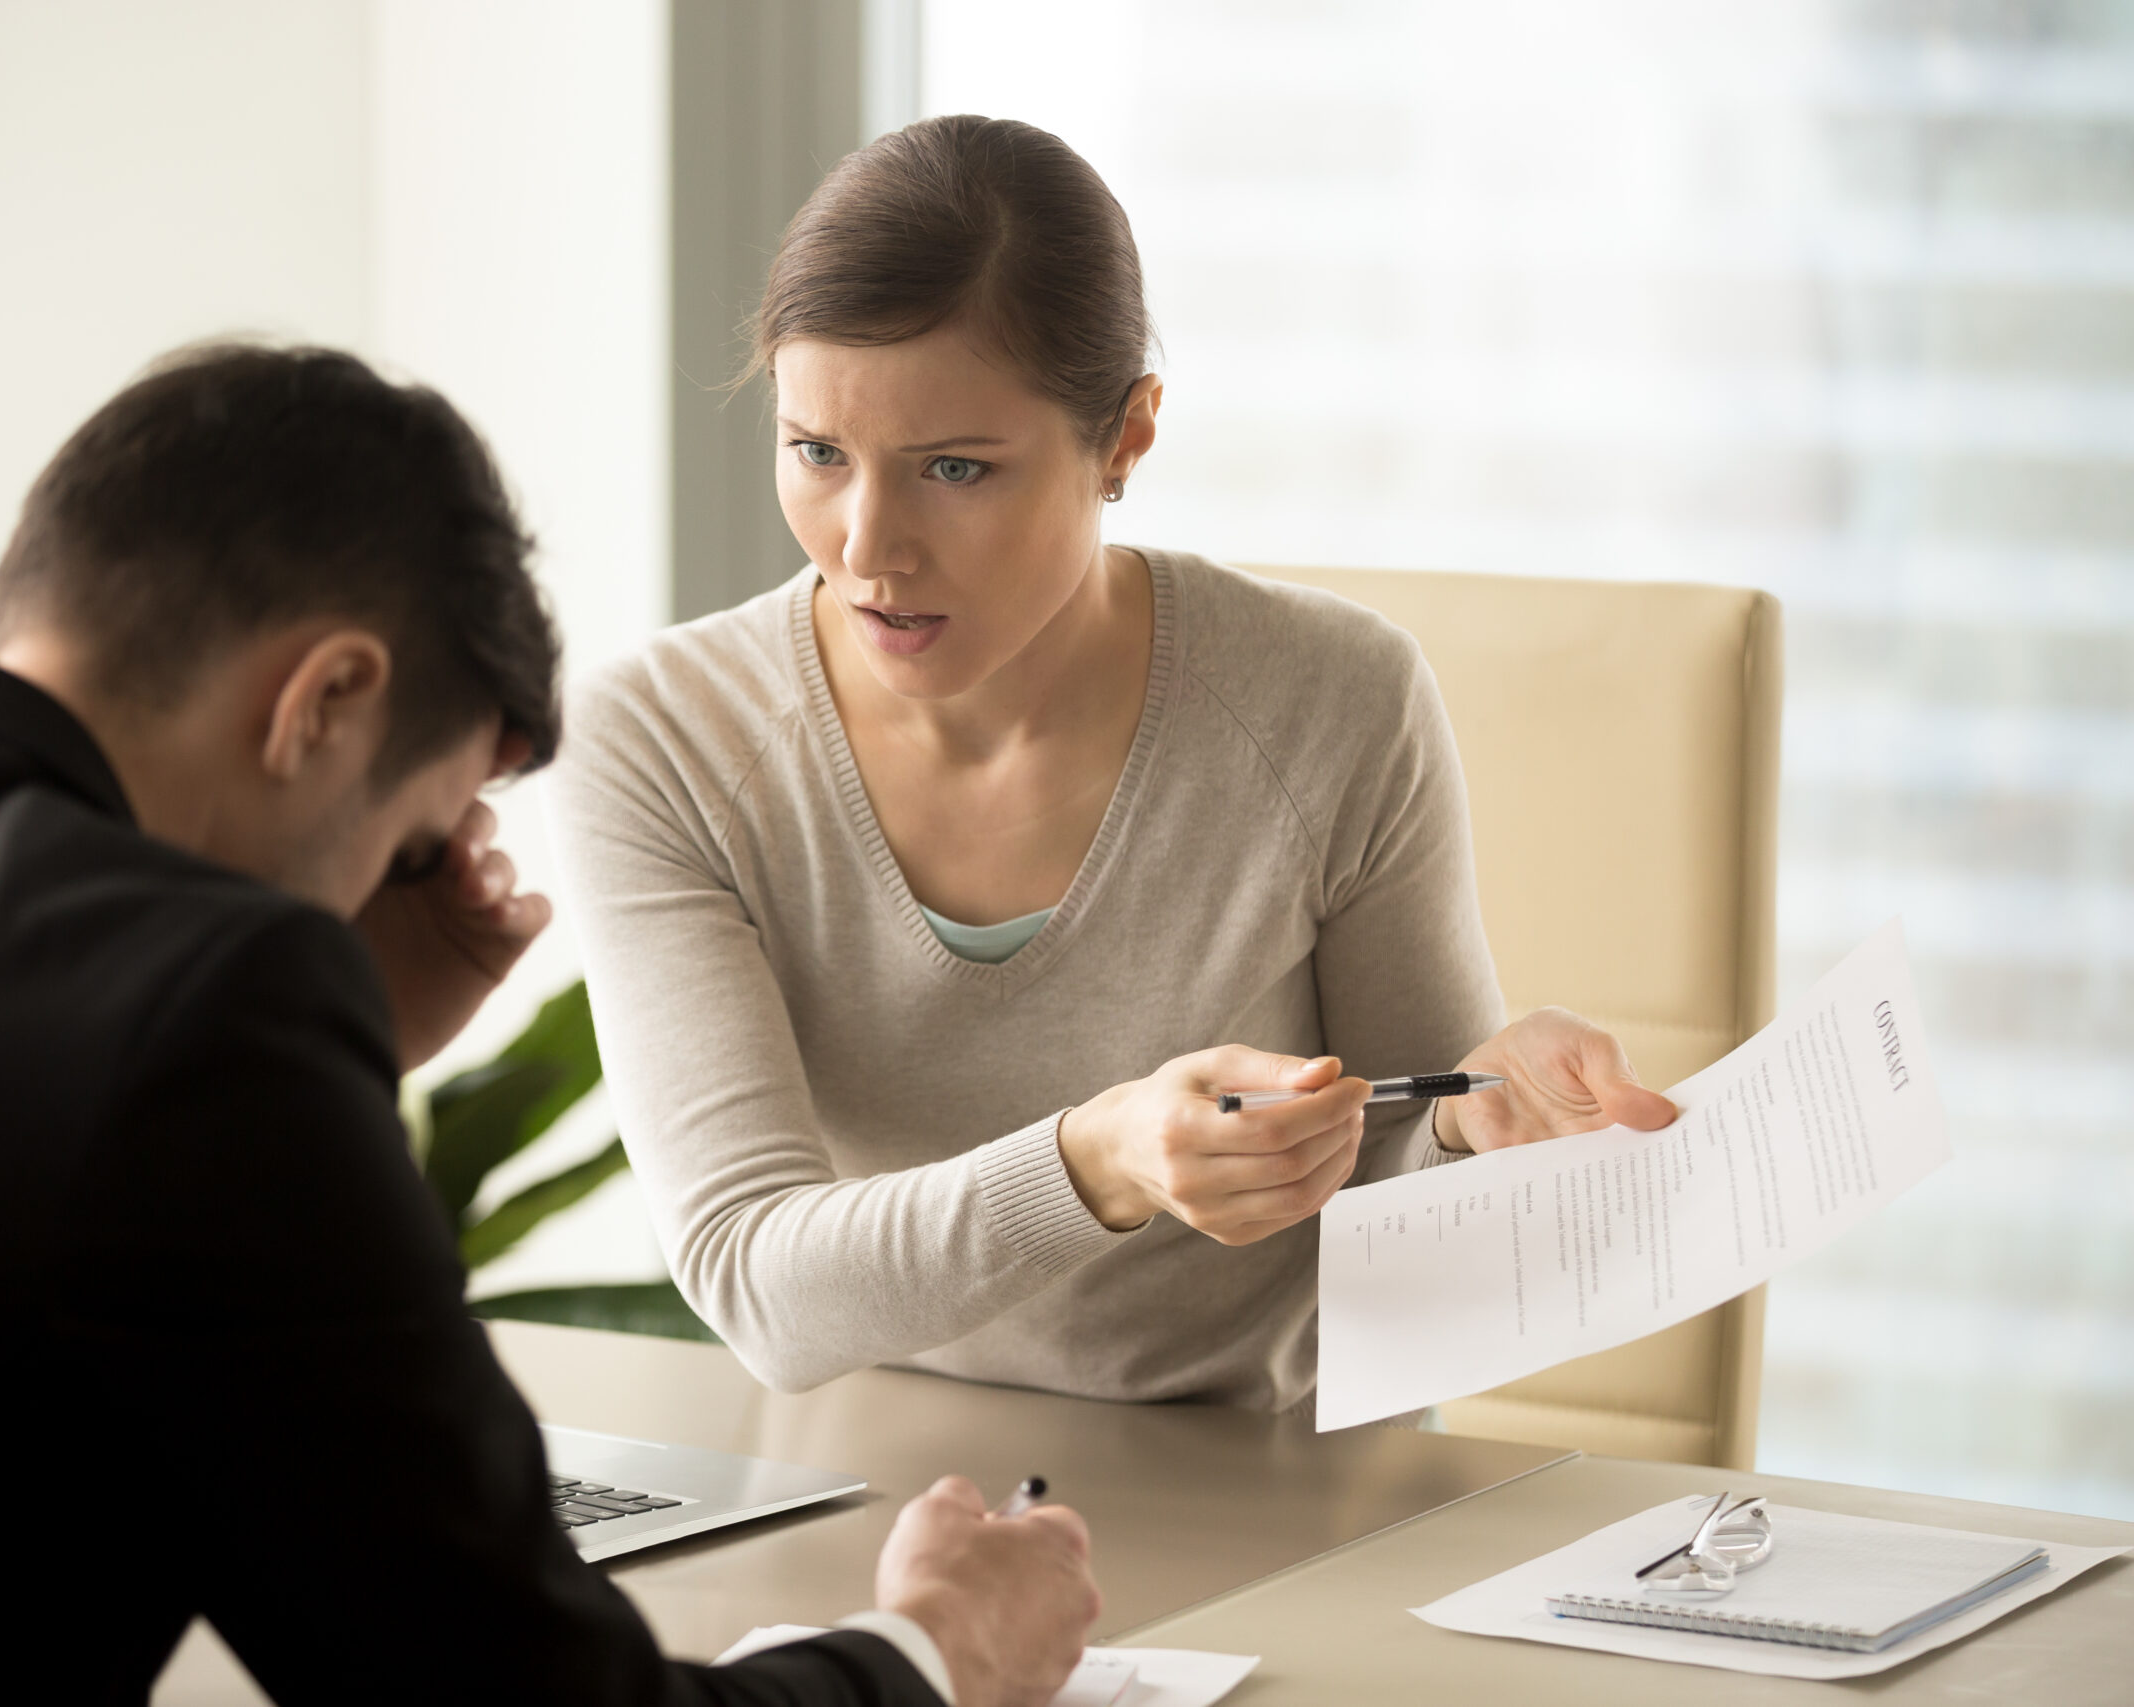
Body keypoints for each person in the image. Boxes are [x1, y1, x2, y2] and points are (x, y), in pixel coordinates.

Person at [0, 344, 1098, 1706]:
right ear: (325, 703)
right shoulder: (194, 1009)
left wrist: (346, 1037)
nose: (399, 889)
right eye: (417, 837)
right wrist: (932, 1659)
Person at [550, 116, 1679, 1408]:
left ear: (1128, 438)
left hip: (1275, 1499)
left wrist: (1478, 1132)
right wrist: (1102, 1161)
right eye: (818, 454)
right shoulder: (662, 746)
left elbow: (1403, 1218)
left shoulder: (1338, 705)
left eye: (955, 468)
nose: (867, 548)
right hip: (876, 1502)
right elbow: (756, 1280)